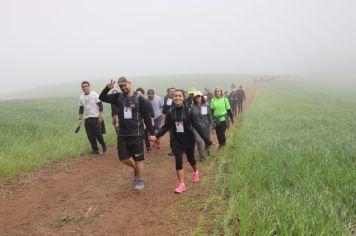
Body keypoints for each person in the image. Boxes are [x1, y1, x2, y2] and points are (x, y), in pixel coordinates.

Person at [150, 90, 212, 193]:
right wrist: (156, 136)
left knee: (191, 159)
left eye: (179, 96)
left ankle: (195, 171)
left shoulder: (188, 111)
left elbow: (197, 126)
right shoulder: (171, 111)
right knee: (178, 161)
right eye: (175, 96)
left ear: (183, 98)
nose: (177, 98)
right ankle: (182, 184)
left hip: (188, 140)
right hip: (177, 141)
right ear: (173, 98)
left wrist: (207, 140)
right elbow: (166, 127)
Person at [99, 77, 155, 191]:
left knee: (139, 159)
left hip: (137, 133)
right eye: (121, 86)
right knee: (123, 158)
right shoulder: (118, 97)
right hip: (122, 134)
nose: (123, 88)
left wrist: (151, 133)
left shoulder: (140, 99)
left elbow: (147, 117)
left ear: (130, 84)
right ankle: (136, 169)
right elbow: (102, 97)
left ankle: (140, 180)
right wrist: (106, 88)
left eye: (125, 85)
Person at [78, 81, 107, 156]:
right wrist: (80, 119)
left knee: (98, 134)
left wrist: (100, 116)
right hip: (87, 118)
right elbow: (81, 108)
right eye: (83, 87)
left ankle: (104, 146)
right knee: (90, 136)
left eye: (85, 86)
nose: (84, 88)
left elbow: (100, 105)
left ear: (89, 86)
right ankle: (95, 150)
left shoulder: (94, 94)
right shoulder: (81, 97)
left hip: (96, 117)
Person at [189, 91, 214, 161]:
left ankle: (208, 150)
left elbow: (210, 116)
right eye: (196, 97)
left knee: (207, 139)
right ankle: (202, 156)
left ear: (201, 97)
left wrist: (212, 125)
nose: (198, 98)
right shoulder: (192, 107)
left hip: (206, 125)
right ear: (194, 98)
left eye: (199, 96)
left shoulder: (206, 105)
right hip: (196, 127)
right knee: (199, 141)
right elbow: (190, 118)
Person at [136, 87, 155, 153]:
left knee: (145, 134)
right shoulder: (134, 102)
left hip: (146, 121)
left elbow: (152, 113)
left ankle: (148, 147)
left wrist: (151, 122)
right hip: (137, 122)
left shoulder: (147, 101)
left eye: (140, 93)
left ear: (143, 94)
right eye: (137, 93)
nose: (138, 94)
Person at [162, 87, 176, 156]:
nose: (172, 92)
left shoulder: (179, 99)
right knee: (172, 135)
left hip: (179, 121)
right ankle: (173, 150)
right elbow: (164, 110)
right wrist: (164, 121)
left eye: (174, 91)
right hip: (170, 121)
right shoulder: (168, 100)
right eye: (171, 91)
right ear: (169, 93)